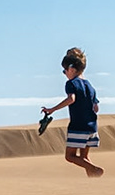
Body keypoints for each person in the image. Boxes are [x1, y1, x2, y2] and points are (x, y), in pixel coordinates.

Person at [42, 47, 103, 177]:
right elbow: (96, 108)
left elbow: (71, 99)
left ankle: (96, 170)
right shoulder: (90, 86)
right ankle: (93, 181)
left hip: (78, 126)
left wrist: (52, 109)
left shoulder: (71, 83)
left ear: (71, 69)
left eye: (64, 71)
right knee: (84, 158)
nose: (64, 74)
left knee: (70, 156)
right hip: (92, 127)